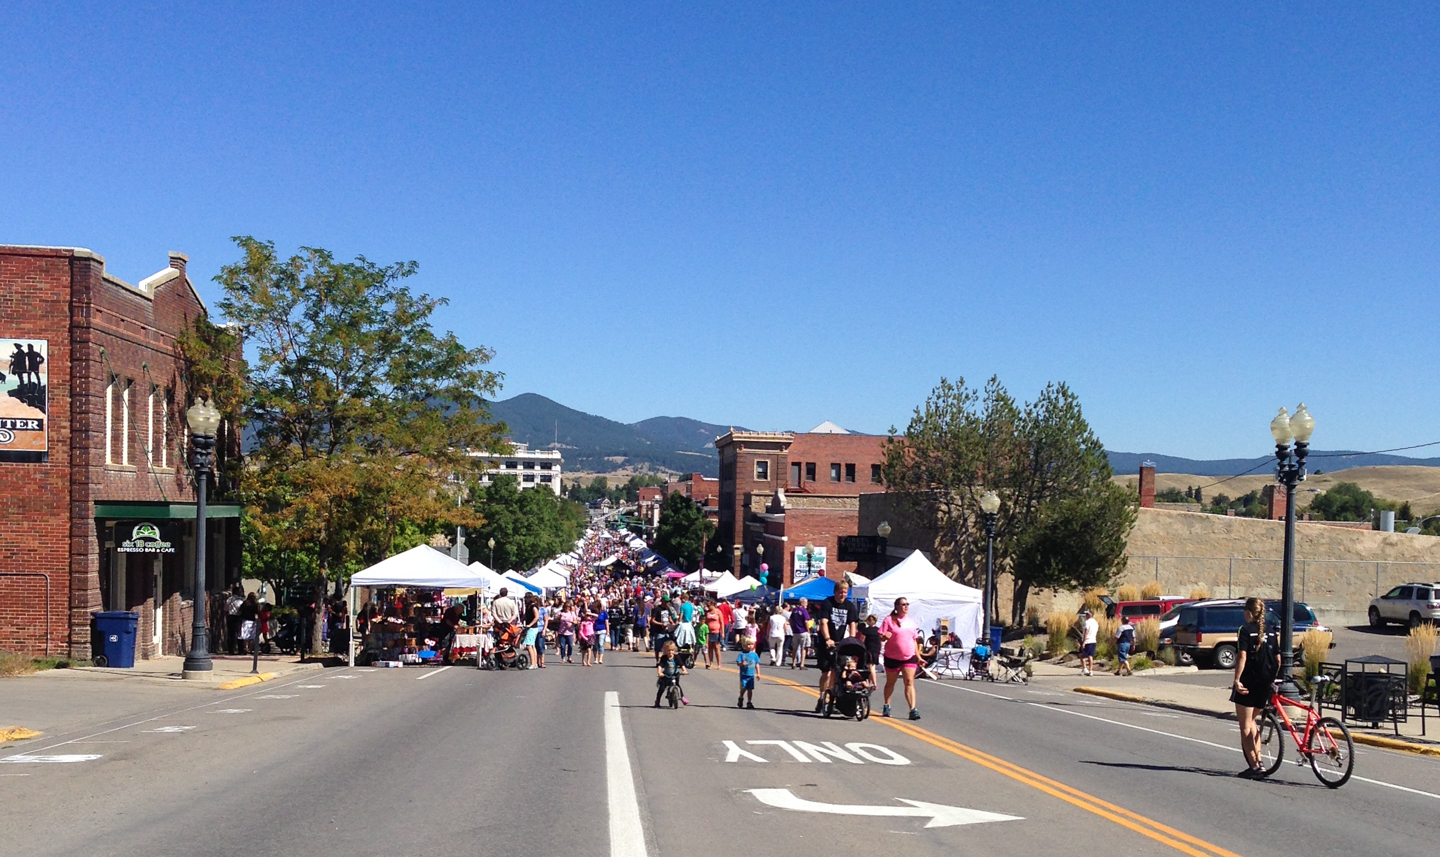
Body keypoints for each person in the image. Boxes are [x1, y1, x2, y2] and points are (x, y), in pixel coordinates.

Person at [1232, 597, 1280, 779]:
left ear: (1248, 613)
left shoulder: (1244, 630)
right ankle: (1259, 760)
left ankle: (1254, 766)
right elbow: (1278, 658)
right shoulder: (1271, 631)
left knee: (1245, 726)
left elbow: (1242, 656)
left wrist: (1237, 680)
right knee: (1252, 721)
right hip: (1265, 683)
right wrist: (1272, 678)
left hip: (1249, 681)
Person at [814, 579, 859, 713]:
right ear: (835, 592)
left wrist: (852, 639)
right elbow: (823, 622)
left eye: (845, 592)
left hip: (841, 644)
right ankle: (822, 696)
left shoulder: (849, 606)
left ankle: (831, 699)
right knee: (826, 673)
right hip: (827, 643)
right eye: (840, 592)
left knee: (837, 672)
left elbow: (852, 624)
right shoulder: (828, 603)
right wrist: (828, 639)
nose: (842, 595)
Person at [878, 598, 922, 720]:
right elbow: (881, 636)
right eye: (903, 604)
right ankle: (887, 705)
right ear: (896, 606)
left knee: (909, 682)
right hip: (892, 657)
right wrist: (884, 637)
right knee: (890, 683)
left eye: (907, 604)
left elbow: (914, 640)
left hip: (909, 657)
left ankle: (913, 709)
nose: (906, 606)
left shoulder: (911, 622)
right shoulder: (889, 620)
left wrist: (918, 657)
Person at [655, 640, 689, 708]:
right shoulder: (664, 658)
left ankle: (682, 697)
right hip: (666, 675)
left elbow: (681, 664)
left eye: (672, 650)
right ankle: (657, 701)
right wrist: (659, 672)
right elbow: (660, 665)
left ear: (674, 650)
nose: (670, 652)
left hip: (675, 674)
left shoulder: (676, 657)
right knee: (662, 688)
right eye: (668, 650)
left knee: (677, 685)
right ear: (665, 650)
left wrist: (684, 670)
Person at [736, 636, 760, 710]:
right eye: (748, 644)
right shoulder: (742, 654)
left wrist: (758, 673)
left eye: (752, 644)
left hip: (751, 675)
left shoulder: (754, 655)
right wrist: (741, 664)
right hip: (744, 675)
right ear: (744, 645)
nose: (750, 646)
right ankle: (741, 697)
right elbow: (738, 663)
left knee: (750, 689)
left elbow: (757, 664)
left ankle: (749, 702)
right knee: (743, 688)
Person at [788, 597, 811, 669]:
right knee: (803, 648)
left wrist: (792, 628)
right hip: (803, 631)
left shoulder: (794, 610)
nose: (807, 604)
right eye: (806, 603)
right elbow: (806, 621)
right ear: (802, 603)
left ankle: (793, 663)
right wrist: (808, 630)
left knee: (794, 648)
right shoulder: (804, 611)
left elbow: (790, 620)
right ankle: (802, 664)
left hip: (795, 632)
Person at [860, 614, 882, 689]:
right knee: (872, 666)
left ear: (869, 621)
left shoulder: (866, 631)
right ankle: (870, 683)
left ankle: (875, 683)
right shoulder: (878, 630)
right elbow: (880, 641)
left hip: (869, 650)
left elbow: (861, 640)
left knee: (871, 667)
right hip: (876, 649)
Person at [521, 594, 541, 670]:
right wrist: (522, 621)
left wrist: (530, 624)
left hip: (533, 628)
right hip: (531, 627)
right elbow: (525, 616)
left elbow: (536, 617)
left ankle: (533, 663)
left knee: (529, 645)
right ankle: (534, 663)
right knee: (532, 645)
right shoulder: (528, 606)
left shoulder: (533, 607)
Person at [704, 600, 723, 669]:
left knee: (717, 647)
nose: (708, 607)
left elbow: (721, 622)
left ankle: (719, 664)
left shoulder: (718, 612)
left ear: (713, 605)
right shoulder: (707, 613)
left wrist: (722, 632)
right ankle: (711, 662)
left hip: (716, 631)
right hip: (709, 632)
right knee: (710, 647)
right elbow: (705, 621)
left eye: (709, 605)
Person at [1079, 609, 1099, 676]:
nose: (1086, 615)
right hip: (1093, 640)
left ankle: (1085, 668)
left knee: (1081, 655)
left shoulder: (1087, 622)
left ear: (1090, 615)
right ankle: (1090, 670)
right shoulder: (1096, 622)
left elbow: (1086, 632)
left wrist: (1084, 642)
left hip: (1087, 641)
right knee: (1090, 656)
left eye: (1087, 614)